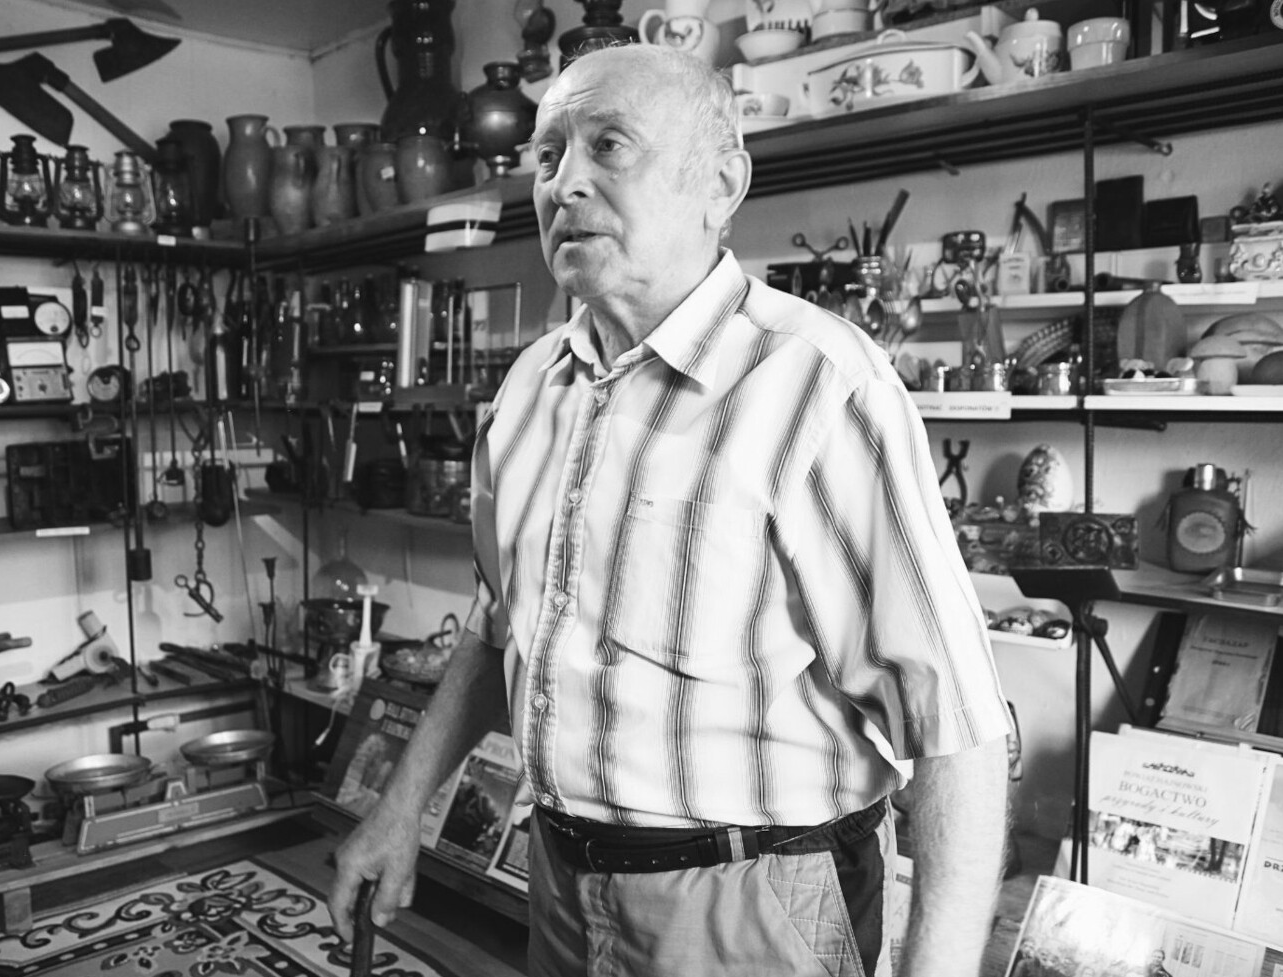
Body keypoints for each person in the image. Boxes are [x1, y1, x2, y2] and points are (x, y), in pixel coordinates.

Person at [328, 42, 1010, 977]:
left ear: (721, 183)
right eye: (549, 155)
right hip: (558, 883)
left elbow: (957, 723)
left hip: (752, 904)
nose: (564, 183)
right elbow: (499, 628)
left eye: (609, 145)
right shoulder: (529, 388)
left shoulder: (817, 382)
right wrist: (401, 806)